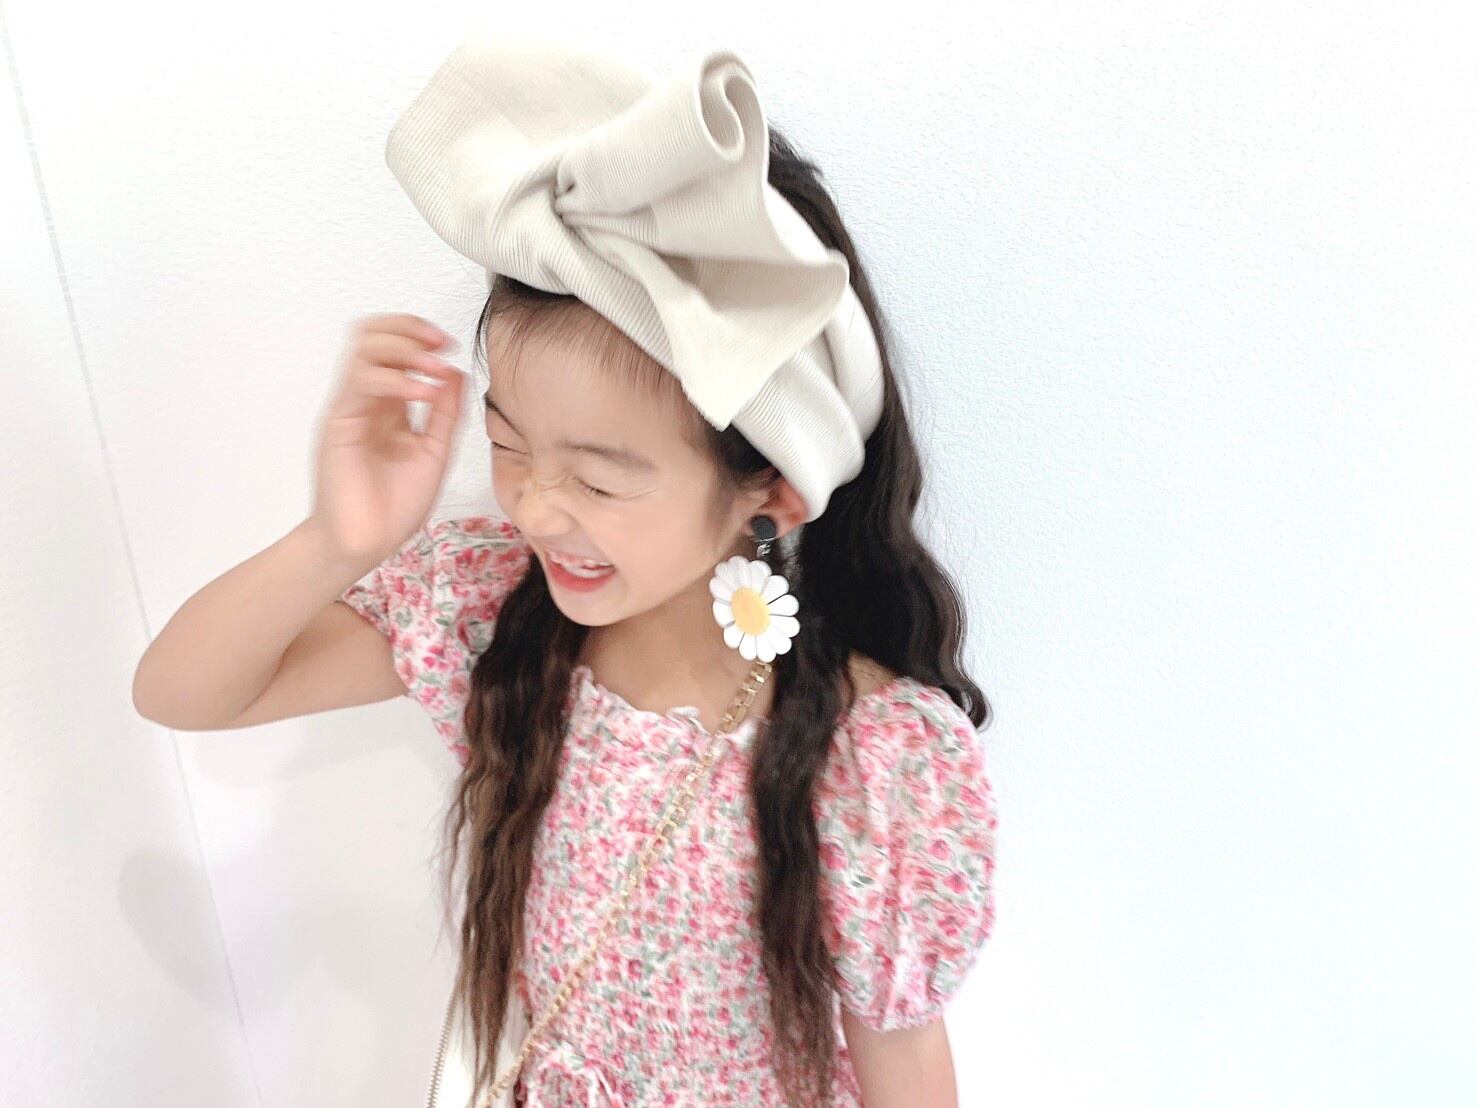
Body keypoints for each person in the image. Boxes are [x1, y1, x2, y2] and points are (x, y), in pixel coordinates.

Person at [134, 34, 998, 1108]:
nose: (536, 508)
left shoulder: (868, 761)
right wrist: (339, 540)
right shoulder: (493, 614)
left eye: (598, 477)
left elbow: (904, 1066)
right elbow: (183, 694)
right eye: (507, 444)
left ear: (770, 488)